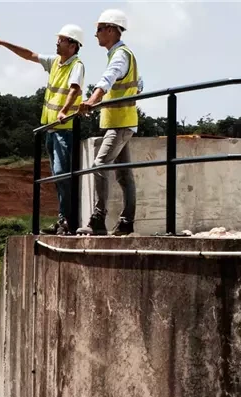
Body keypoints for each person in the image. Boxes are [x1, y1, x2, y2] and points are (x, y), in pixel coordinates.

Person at [0, 26, 85, 235]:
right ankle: (62, 219)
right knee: (58, 176)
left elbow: (75, 89)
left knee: (61, 174)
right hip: (50, 129)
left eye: (62, 40)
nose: (57, 42)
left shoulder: (76, 65)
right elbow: (29, 55)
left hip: (64, 129)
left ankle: (68, 221)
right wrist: (2, 43)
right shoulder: (55, 62)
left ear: (73, 45)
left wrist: (64, 111)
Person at [77, 9, 143, 236]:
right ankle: (126, 222)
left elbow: (107, 80)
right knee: (124, 175)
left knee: (99, 165)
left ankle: (98, 218)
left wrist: (91, 100)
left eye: (99, 29)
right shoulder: (123, 55)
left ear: (112, 30)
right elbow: (139, 84)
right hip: (121, 122)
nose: (96, 34)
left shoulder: (120, 56)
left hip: (120, 124)